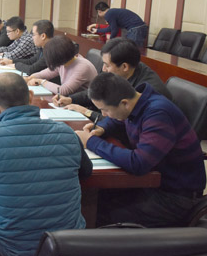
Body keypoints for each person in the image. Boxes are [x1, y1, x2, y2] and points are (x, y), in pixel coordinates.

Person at [0, 73, 91, 256]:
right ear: (30, 96)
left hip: (17, 253)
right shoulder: (67, 133)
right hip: (69, 248)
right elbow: (86, 172)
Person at [76, 73, 205, 227]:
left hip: (175, 196)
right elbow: (119, 120)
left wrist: (91, 142)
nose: (103, 115)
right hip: (153, 181)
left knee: (100, 215)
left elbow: (138, 163)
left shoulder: (158, 114)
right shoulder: (136, 101)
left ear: (124, 103)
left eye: (105, 110)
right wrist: (102, 128)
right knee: (95, 198)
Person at [55, 38, 172, 120]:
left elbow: (121, 123)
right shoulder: (125, 71)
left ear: (124, 67)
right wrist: (71, 99)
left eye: (107, 65)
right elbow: (99, 92)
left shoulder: (145, 92)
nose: (103, 69)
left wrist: (86, 112)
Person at [26, 35, 97, 96]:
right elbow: (46, 73)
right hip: (69, 99)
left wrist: (41, 82)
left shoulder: (83, 67)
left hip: (84, 104)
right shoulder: (64, 61)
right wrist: (30, 78)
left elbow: (63, 90)